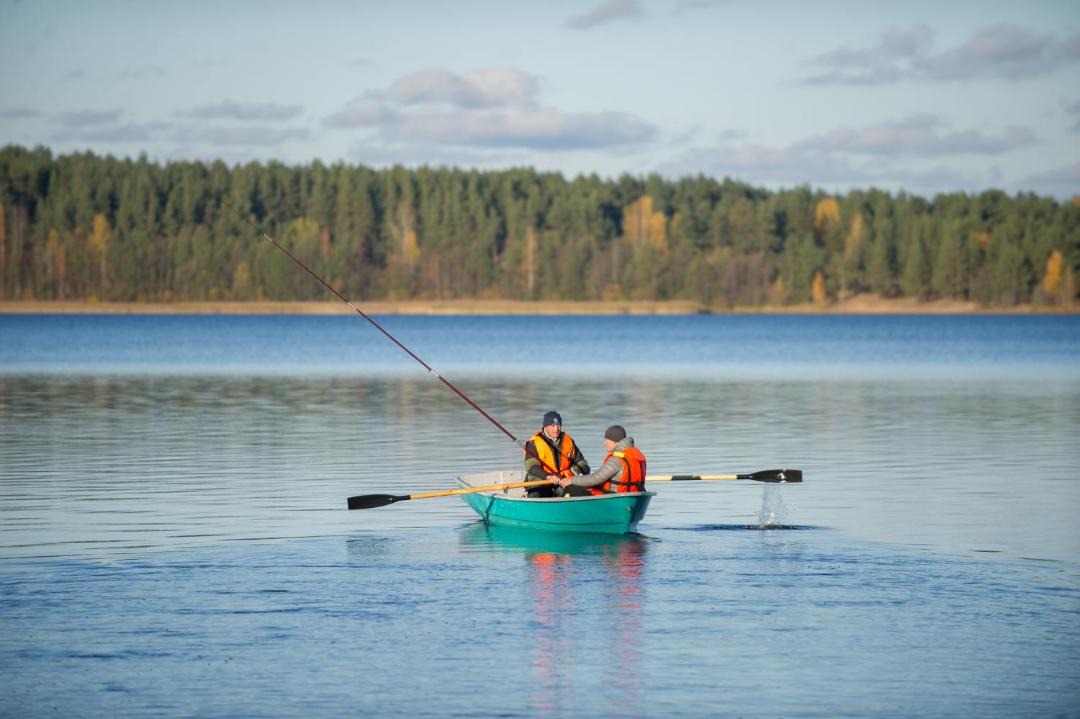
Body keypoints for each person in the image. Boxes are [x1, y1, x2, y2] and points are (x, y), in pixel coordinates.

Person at [552, 425, 646, 497]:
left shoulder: (616, 460)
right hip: (632, 496)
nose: (604, 443)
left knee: (571, 489)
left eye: (606, 440)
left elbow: (595, 478)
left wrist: (571, 480)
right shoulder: (636, 456)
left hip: (614, 497)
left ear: (614, 441)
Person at [523, 410, 589, 498]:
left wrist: (577, 476)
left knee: (575, 493)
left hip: (562, 482)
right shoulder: (534, 443)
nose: (556, 429)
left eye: (558, 425)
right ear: (545, 426)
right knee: (534, 494)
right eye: (552, 425)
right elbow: (531, 467)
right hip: (541, 481)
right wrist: (548, 477)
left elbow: (581, 462)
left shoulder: (568, 441)